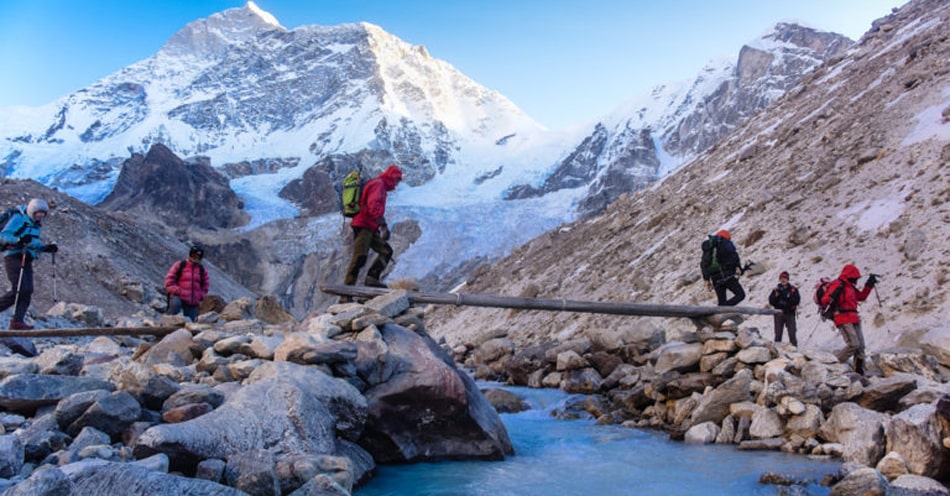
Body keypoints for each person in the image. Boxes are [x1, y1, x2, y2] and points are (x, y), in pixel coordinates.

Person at [343, 164, 403, 292]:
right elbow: (373, 205)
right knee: (360, 257)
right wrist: (383, 225)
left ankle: (372, 279)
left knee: (386, 251)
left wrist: (379, 224)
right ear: (391, 176)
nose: (397, 184)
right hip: (363, 224)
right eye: (397, 179)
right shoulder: (378, 185)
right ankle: (346, 291)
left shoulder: (380, 186)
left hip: (370, 226)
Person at [0, 198, 58, 330]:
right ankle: (16, 321)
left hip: (26, 258)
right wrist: (18, 240)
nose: (41, 216)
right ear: (32, 211)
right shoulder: (18, 219)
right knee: (19, 290)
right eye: (39, 213)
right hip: (13, 256)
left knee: (27, 290)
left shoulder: (36, 225)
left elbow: (33, 243)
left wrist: (46, 248)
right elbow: (3, 235)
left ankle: (17, 322)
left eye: (43, 213)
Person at [821, 264, 876, 375]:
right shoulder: (838, 284)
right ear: (849, 276)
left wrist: (869, 285)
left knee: (861, 345)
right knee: (853, 344)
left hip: (854, 317)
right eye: (854, 277)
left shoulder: (849, 286)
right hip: (842, 317)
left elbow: (861, 297)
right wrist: (834, 294)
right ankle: (835, 364)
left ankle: (859, 370)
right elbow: (825, 300)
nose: (855, 280)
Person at [164, 244, 210, 321]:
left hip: (192, 300)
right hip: (179, 296)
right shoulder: (180, 265)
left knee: (190, 322)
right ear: (190, 254)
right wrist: (178, 291)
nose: (196, 257)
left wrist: (200, 295)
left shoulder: (202, 270)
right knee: (175, 306)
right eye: (194, 255)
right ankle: (165, 324)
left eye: (198, 256)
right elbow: (169, 280)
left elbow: (206, 285)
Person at [702, 229, 746, 306]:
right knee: (740, 295)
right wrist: (738, 267)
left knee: (721, 302)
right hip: (727, 275)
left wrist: (707, 279)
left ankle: (718, 311)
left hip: (715, 278)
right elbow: (734, 257)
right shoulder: (726, 243)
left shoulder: (709, 247)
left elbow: (704, 264)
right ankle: (724, 308)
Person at [768, 271, 801, 346]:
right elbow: (771, 301)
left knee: (792, 333)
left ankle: (794, 350)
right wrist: (776, 296)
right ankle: (777, 350)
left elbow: (796, 301)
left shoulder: (793, 290)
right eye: (782, 278)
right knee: (778, 334)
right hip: (778, 313)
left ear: (788, 279)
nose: (783, 280)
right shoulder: (776, 290)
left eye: (785, 278)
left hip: (790, 313)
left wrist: (786, 297)